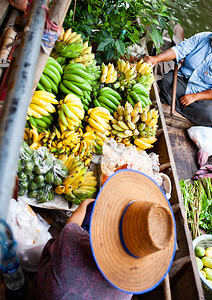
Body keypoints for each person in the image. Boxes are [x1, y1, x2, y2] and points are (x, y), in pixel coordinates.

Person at [34, 170, 176, 300]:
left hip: (44, 293)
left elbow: (71, 225)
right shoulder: (127, 289)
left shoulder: (73, 240)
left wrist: (84, 204)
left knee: (89, 212)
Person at [144, 32, 212, 126]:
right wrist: (156, 59)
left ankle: (173, 104)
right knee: (165, 82)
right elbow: (178, 50)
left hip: (202, 93)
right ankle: (179, 106)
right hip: (182, 79)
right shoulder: (203, 37)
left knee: (209, 114)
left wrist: (195, 96)